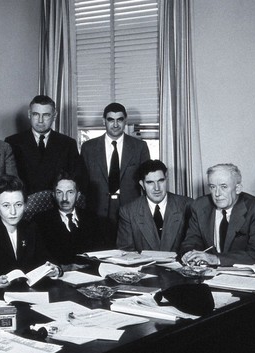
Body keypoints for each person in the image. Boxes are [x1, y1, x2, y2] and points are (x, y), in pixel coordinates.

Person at [0, 175, 61, 291]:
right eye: (6, 205)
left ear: (25, 205)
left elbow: (47, 259)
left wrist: (55, 269)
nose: (13, 212)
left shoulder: (31, 228)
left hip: (32, 293)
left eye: (18, 205)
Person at [81, 102, 150, 246]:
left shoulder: (139, 147)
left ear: (126, 120)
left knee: (127, 252)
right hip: (97, 209)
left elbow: (146, 182)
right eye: (110, 120)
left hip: (129, 208)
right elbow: (83, 181)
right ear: (103, 121)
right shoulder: (88, 148)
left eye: (119, 119)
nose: (115, 124)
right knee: (99, 252)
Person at [181, 164, 255, 266]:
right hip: (210, 273)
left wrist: (216, 259)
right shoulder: (199, 206)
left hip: (248, 275)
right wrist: (189, 254)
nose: (217, 194)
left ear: (237, 188)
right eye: (212, 187)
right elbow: (191, 241)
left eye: (223, 187)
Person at [5, 95, 82, 194]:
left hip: (57, 205)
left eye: (46, 115)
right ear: (29, 114)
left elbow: (75, 181)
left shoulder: (68, 144)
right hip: (25, 205)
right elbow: (10, 182)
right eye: (36, 114)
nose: (40, 120)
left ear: (54, 115)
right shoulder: (12, 142)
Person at [117, 160, 193, 253]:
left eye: (161, 181)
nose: (156, 188)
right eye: (150, 182)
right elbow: (126, 253)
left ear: (166, 179)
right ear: (142, 184)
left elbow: (194, 247)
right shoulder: (128, 211)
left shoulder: (187, 205)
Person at [34, 171, 105, 265]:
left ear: (78, 195)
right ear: (53, 195)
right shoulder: (41, 221)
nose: (64, 198)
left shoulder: (92, 219)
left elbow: (100, 252)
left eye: (70, 192)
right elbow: (40, 257)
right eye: (59, 192)